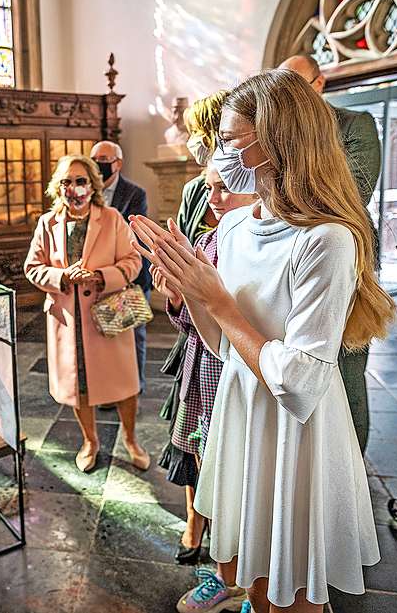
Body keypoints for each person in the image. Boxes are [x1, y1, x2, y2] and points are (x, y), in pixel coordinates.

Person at [132, 69, 395, 613]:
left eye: (228, 140)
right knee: (253, 574)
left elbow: (299, 383)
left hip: (294, 430)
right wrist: (191, 294)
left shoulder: (327, 240)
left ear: (275, 139)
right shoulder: (233, 228)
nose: (217, 154)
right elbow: (221, 345)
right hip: (241, 408)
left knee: (291, 587)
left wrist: (221, 303)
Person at [279, 54, 382, 453]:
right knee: (298, 359)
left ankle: (351, 458)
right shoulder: (280, 130)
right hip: (291, 253)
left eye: (296, 83)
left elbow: (354, 192)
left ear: (318, 84)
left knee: (344, 358)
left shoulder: (354, 125)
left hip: (345, 253)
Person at [24, 154, 147, 473]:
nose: (73, 189)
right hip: (68, 321)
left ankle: (131, 440)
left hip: (108, 315)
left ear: (92, 186)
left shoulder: (112, 219)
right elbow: (32, 268)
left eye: (80, 181)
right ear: (57, 187)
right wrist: (62, 277)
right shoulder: (47, 224)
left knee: (124, 382)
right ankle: (90, 441)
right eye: (66, 182)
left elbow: (133, 263)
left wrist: (102, 276)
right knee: (78, 386)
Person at [162, 163, 258, 572]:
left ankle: (236, 571)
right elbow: (188, 326)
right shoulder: (207, 240)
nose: (213, 199)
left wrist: (205, 299)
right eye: (209, 188)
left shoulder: (258, 247)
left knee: (238, 479)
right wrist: (179, 295)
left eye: (224, 188)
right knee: (204, 461)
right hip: (202, 373)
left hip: (240, 376)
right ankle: (218, 557)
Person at [157, 91, 233, 561]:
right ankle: (200, 529)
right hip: (199, 351)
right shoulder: (205, 212)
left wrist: (190, 287)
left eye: (198, 134)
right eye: (210, 190)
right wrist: (175, 285)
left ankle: (230, 553)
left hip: (233, 358)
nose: (213, 198)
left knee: (230, 464)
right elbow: (188, 257)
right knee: (197, 444)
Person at [90, 140, 152, 396]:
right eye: (95, 159)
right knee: (104, 338)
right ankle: (108, 387)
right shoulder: (88, 191)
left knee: (132, 334)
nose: (99, 166)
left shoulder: (135, 193)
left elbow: (134, 236)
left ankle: (133, 387)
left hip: (131, 275)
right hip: (100, 277)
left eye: (104, 160)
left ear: (118, 163)